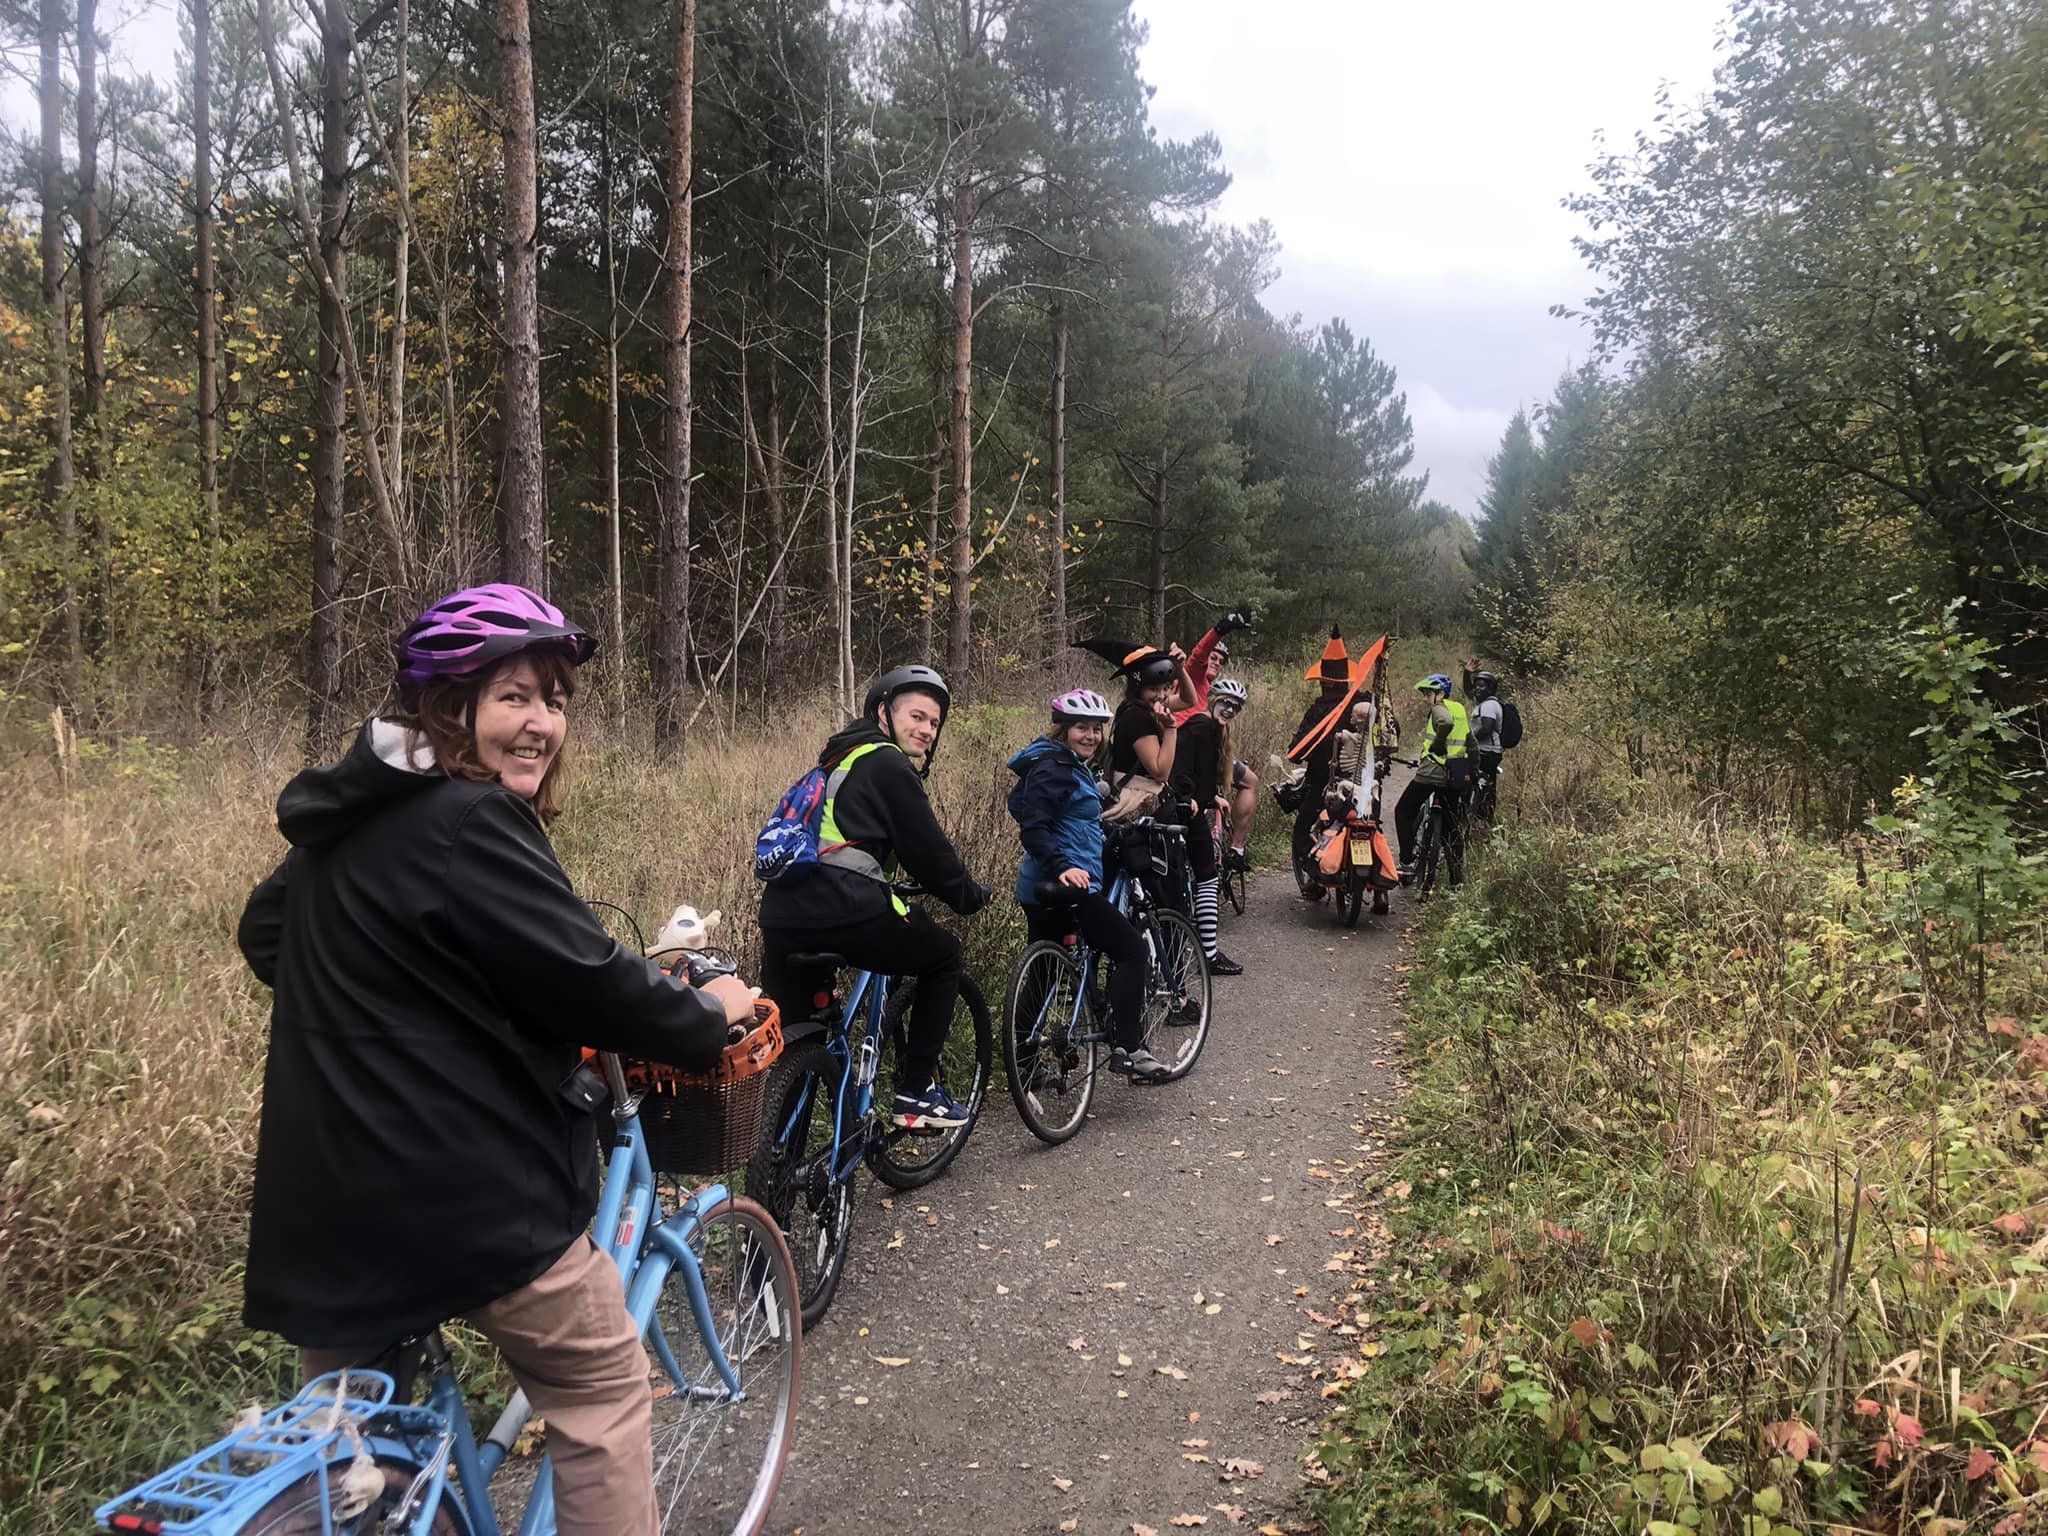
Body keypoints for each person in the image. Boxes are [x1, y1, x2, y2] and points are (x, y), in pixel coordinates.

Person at [235, 583, 757, 1536]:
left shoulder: (344, 823)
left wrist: (419, 1005)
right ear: (450, 706)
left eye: (554, 700)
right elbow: (592, 978)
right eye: (514, 696)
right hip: (463, 1199)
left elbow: (270, 939)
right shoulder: (472, 819)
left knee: (353, 1449)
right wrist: (704, 1014)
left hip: (323, 1207)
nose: (541, 723)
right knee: (599, 1392)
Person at [758, 664, 990, 1129]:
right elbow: (929, 853)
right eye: (917, 716)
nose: (926, 729)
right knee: (944, 956)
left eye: (934, 723)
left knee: (799, 1042)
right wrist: (969, 896)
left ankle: (777, 1164)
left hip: (782, 916)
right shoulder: (886, 762)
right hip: (846, 906)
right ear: (884, 713)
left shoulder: (835, 759)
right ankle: (917, 1091)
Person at [1006, 688, 1171, 1082]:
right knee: (1131, 949)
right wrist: (1063, 862)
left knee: (1044, 976)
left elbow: (1024, 806)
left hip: (1037, 886)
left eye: (1097, 729)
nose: (1091, 736)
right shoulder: (1055, 768)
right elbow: (1034, 827)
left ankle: (1024, 1066)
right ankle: (1130, 1048)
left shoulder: (1055, 763)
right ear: (1063, 729)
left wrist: (1091, 830)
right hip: (1066, 883)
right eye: (1082, 728)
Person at [1176, 610, 1261, 871]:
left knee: (1250, 781)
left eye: (1220, 660)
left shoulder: (1217, 692)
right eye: (1213, 657)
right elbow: (1198, 654)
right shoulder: (1192, 678)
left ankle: (1235, 848)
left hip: (1211, 753)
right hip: (1188, 755)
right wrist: (1221, 629)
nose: (1215, 662)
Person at [1174, 677, 1248, 975]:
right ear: (1212, 699)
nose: (1229, 709)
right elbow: (1183, 768)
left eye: (1235, 707)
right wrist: (1191, 797)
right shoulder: (1202, 728)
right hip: (1185, 809)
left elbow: (1200, 774)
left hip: (1187, 804)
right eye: (1225, 703)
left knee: (1195, 877)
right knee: (1207, 876)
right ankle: (1209, 953)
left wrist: (1212, 797)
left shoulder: (1209, 728)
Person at [1289, 629, 1353, 888]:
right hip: (1360, 786)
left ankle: (1315, 880)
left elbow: (1296, 750)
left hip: (1322, 785)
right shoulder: (1364, 702)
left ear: (1323, 681)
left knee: (1302, 830)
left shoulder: (1318, 711)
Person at [1395, 673, 1471, 886]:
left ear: (1440, 694)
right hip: (1456, 772)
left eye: (1428, 693)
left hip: (1432, 771)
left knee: (1403, 811)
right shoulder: (1460, 709)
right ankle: (1457, 881)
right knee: (1452, 826)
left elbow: (1444, 723)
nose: (1425, 698)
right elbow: (1469, 740)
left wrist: (1437, 746)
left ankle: (1407, 863)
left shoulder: (1439, 709)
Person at [1466, 668, 1505, 817]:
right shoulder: (1483, 703)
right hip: (1488, 752)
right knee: (1486, 788)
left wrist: (1469, 742)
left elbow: (1486, 728)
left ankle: (1480, 816)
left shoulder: (1489, 705)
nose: (1477, 688)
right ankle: (1483, 817)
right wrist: (1466, 673)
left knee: (1476, 785)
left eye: (1481, 686)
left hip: (1486, 753)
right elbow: (1468, 691)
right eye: (1476, 685)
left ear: (1490, 688)